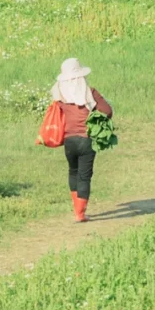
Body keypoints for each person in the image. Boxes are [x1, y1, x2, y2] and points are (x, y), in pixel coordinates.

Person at [51, 56, 113, 222]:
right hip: (87, 140)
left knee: (73, 171)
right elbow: (107, 111)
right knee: (84, 175)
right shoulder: (90, 92)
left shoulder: (60, 95)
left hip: (69, 140)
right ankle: (80, 214)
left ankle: (76, 211)